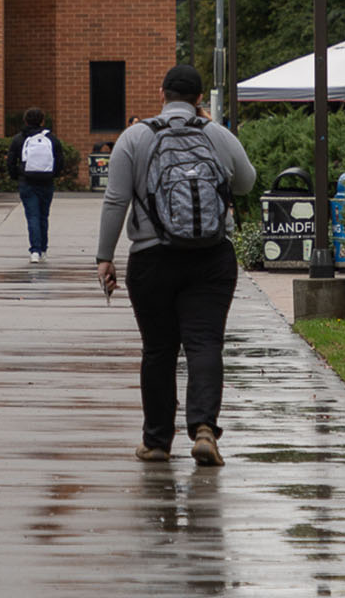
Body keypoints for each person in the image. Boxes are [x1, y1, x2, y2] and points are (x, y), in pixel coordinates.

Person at [96, 65, 257, 466]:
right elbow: (247, 182)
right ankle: (204, 429)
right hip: (211, 256)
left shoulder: (134, 137)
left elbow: (115, 200)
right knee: (205, 343)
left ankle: (156, 443)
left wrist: (105, 256)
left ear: (161, 92)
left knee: (158, 350)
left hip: (151, 258)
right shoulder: (216, 135)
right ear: (199, 98)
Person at [6, 106, 66, 263]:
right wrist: (54, 175)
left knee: (32, 216)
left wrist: (16, 176)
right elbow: (59, 160)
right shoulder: (51, 139)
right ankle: (44, 250)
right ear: (42, 121)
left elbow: (11, 161)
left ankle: (35, 251)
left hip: (27, 182)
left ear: (25, 120)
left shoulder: (19, 139)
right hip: (46, 182)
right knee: (43, 216)